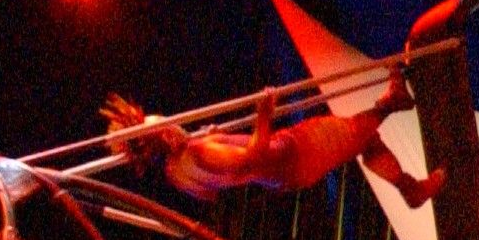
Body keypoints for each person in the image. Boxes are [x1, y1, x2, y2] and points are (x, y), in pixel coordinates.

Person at [105, 63, 444, 208]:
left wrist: (216, 138)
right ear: (164, 137)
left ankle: (409, 188)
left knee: (364, 139)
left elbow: (212, 192)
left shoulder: (176, 172)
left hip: (289, 167)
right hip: (296, 155)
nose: (177, 124)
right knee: (354, 130)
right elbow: (252, 159)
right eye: (168, 123)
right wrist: (264, 114)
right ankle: (392, 101)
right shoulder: (195, 153)